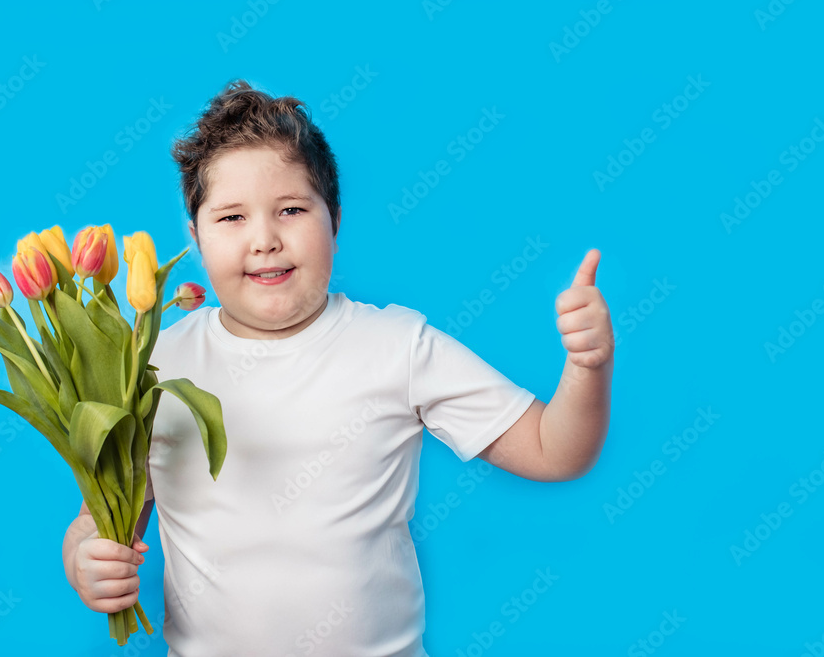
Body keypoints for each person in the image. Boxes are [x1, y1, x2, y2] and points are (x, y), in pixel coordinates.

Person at [62, 79, 614, 656]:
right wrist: (84, 559)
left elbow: (557, 452)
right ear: (195, 238)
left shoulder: (399, 347)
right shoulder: (151, 365)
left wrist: (587, 365)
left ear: (336, 222)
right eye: (231, 218)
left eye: (292, 209)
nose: (265, 240)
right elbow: (99, 517)